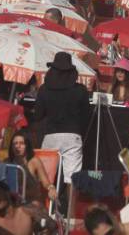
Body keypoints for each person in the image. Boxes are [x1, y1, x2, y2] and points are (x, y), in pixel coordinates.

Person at [34, 52, 91, 194]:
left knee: (45, 177)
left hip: (51, 135)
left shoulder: (44, 89)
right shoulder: (80, 90)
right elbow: (86, 116)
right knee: (73, 178)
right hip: (73, 135)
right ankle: (69, 213)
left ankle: (45, 210)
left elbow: (38, 115)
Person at [7, 132, 56, 208]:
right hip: (13, 204)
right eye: (15, 144)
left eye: (21, 143)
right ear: (11, 147)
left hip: (31, 203)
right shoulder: (7, 162)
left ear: (27, 146)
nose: (18, 146)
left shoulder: (34, 162)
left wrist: (51, 188)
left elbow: (46, 183)